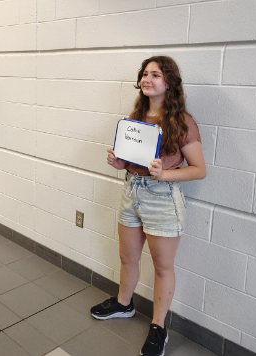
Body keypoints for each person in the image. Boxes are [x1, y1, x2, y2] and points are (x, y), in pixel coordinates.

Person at [90, 56, 206, 356]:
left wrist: (164, 173)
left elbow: (198, 169)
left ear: (169, 82)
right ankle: (123, 303)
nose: (147, 79)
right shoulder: (136, 117)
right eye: (144, 74)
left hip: (163, 198)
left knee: (162, 267)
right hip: (132, 191)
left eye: (155, 74)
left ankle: (158, 326)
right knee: (127, 257)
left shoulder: (182, 122)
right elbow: (132, 160)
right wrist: (119, 163)